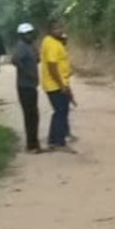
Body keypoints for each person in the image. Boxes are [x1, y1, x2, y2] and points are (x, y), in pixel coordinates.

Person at [41, 20, 77, 153]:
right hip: (55, 85)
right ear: (50, 30)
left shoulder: (50, 41)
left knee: (59, 112)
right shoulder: (52, 44)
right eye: (56, 28)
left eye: (61, 28)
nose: (59, 30)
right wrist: (61, 85)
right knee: (61, 112)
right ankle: (60, 143)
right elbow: (52, 67)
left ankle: (52, 140)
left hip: (56, 83)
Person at [13, 23, 41, 153]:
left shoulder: (29, 46)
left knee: (34, 115)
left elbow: (37, 59)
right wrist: (27, 73)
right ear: (22, 35)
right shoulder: (21, 47)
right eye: (27, 34)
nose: (30, 35)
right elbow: (15, 60)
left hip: (31, 85)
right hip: (25, 86)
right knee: (30, 115)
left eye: (31, 33)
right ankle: (31, 145)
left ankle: (34, 142)